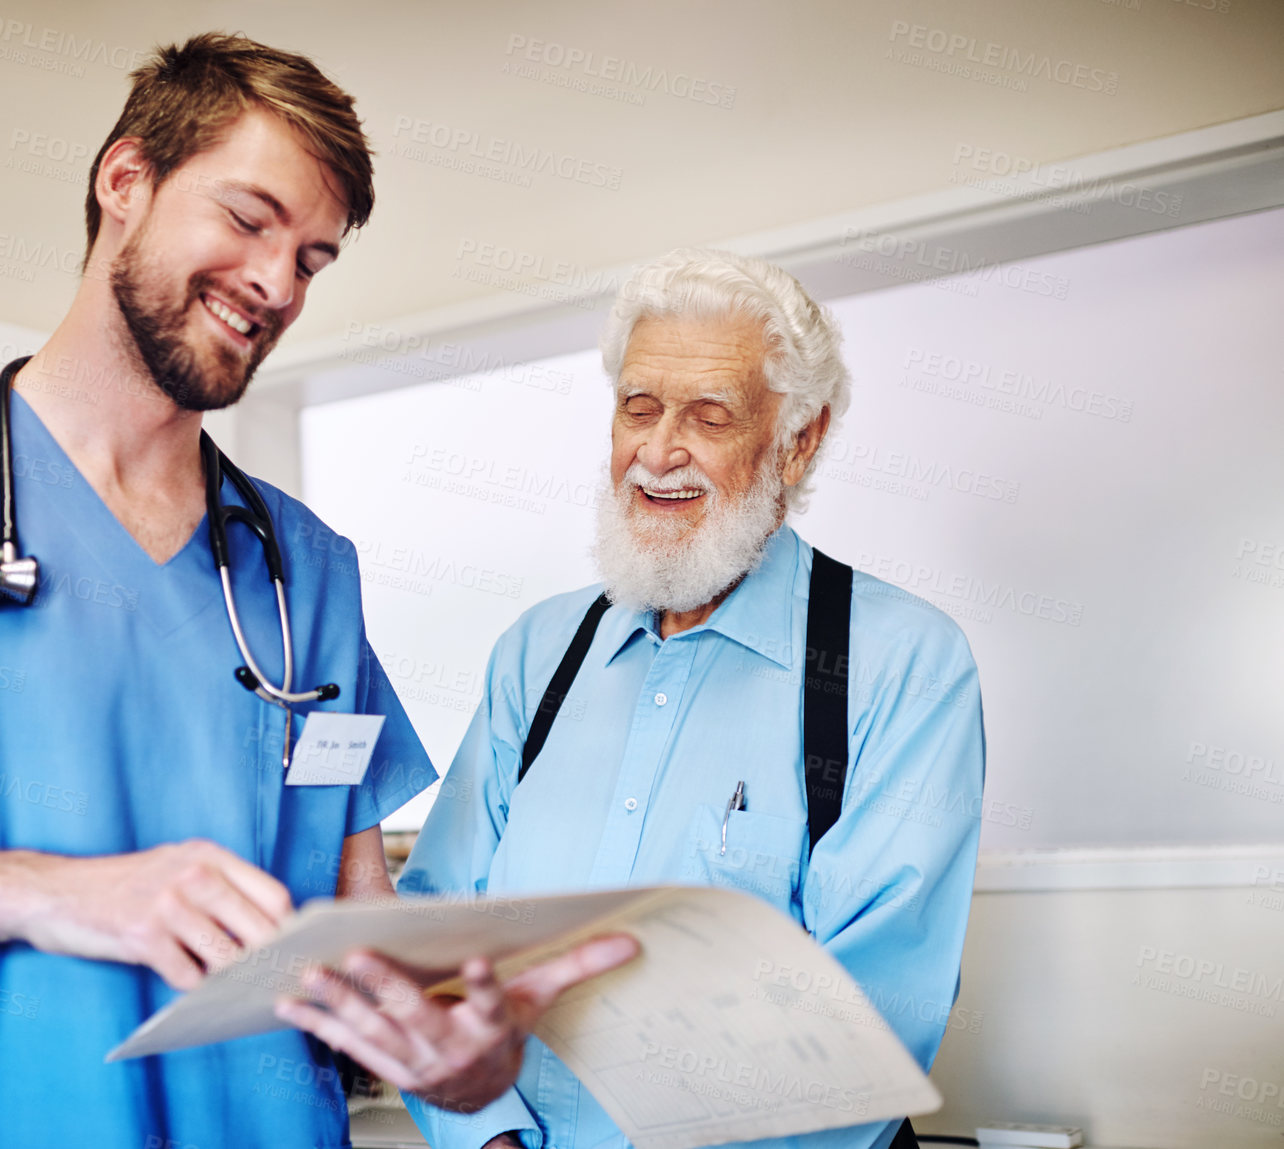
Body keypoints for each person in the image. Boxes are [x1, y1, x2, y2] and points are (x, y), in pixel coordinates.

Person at [0, 33, 628, 1148]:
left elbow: (354, 924)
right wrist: (32, 891)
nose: (278, 285)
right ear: (125, 181)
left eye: (314, 260)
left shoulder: (306, 566)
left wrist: (457, 1057)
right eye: (248, 220)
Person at [277, 249, 986, 1149]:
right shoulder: (536, 657)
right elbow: (438, 935)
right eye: (638, 408)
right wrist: (489, 1138)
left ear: (799, 438)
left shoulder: (900, 663)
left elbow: (877, 1012)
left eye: (709, 416)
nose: (657, 453)